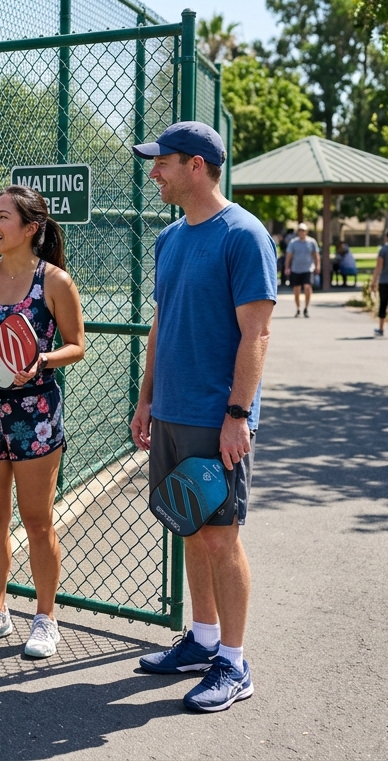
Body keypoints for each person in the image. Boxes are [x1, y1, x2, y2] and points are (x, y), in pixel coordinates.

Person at [129, 121, 276, 713]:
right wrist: (145, 399)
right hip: (170, 411)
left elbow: (257, 331)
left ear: (194, 165)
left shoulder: (244, 234)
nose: (153, 171)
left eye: (160, 162)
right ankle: (202, 640)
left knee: (221, 538)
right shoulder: (171, 239)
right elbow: (161, 325)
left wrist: (238, 414)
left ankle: (234, 663)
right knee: (189, 527)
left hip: (219, 417)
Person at [0, 185, 85, 658]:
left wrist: (42, 360)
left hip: (37, 416)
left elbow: (77, 345)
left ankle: (46, 619)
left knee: (37, 519)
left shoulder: (55, 282)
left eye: (4, 217)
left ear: (30, 228)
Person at [284, 223, 319, 317]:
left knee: (307, 287)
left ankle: (306, 308)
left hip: (308, 269)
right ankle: (298, 308)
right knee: (297, 290)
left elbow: (316, 255)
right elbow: (289, 256)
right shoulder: (293, 243)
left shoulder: (312, 242)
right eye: (299, 230)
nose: (301, 232)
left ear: (306, 232)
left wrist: (317, 265)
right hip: (296, 269)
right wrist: (287, 267)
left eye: (303, 230)